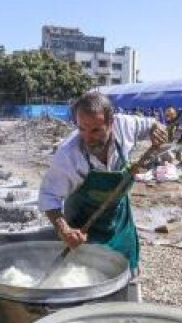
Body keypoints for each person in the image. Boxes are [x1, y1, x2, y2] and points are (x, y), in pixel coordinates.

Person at [38, 92, 167, 276]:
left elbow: (154, 124)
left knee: (126, 272)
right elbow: (49, 196)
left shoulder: (125, 125)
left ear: (111, 123)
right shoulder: (68, 154)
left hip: (120, 224)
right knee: (87, 276)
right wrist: (65, 231)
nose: (87, 138)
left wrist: (158, 130)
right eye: (82, 128)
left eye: (96, 130)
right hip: (83, 228)